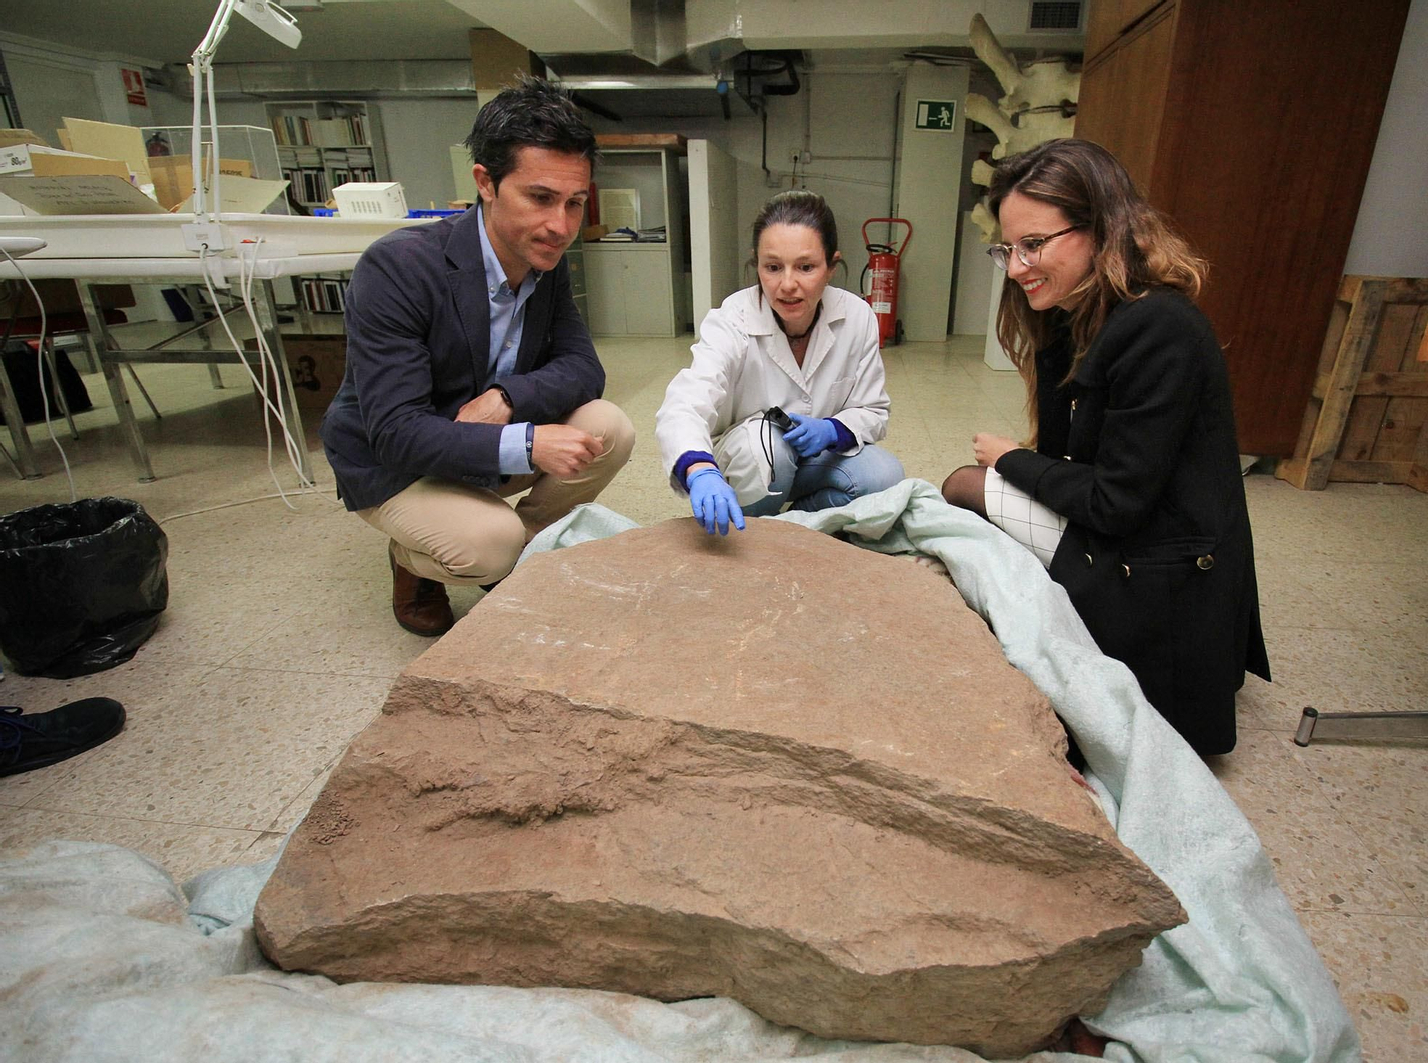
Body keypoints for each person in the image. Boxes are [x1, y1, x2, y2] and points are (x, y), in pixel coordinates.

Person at [941, 139, 1269, 756]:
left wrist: (1012, 459)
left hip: (1155, 566)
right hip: (1128, 532)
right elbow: (1073, 460)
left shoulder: (1159, 327)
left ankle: (1040, 637)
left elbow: (1115, 503)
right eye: (1008, 249)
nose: (1015, 267)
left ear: (1104, 229)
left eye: (1034, 245)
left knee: (966, 486)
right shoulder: (1076, 316)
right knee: (968, 491)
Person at [321, 79, 635, 636]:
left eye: (575, 203)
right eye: (540, 198)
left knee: (609, 427)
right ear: (485, 183)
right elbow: (395, 432)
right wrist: (530, 441)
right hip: (397, 463)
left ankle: (525, 548)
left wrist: (508, 398)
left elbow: (585, 369)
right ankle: (413, 559)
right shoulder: (398, 268)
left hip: (479, 442)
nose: (561, 226)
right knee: (490, 542)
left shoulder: (545, 257)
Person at [656, 191, 903, 535]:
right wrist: (699, 469)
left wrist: (832, 430)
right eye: (772, 268)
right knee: (767, 448)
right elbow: (685, 403)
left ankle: (793, 526)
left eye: (806, 267)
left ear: (831, 266)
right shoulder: (733, 319)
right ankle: (750, 527)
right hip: (747, 460)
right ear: (756, 265)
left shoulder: (857, 316)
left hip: (815, 459)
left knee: (885, 477)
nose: (787, 285)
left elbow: (873, 410)